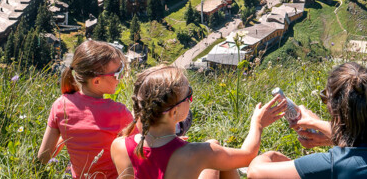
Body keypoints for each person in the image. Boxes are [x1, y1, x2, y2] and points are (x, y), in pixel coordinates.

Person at [246, 62, 367, 179]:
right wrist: (318, 125)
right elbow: (364, 143)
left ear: (336, 111)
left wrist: (269, 154)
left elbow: (255, 172)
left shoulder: (335, 164)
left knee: (274, 160)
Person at [109, 65, 286, 179]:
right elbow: (248, 155)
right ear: (175, 111)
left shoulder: (119, 146)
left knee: (213, 146)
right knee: (270, 156)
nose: (191, 99)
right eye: (189, 95)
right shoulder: (198, 153)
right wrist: (258, 124)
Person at [37, 40, 134, 179]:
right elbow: (140, 151)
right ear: (96, 81)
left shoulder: (60, 105)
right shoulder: (119, 113)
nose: (121, 77)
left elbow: (43, 157)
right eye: (117, 74)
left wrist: (67, 138)